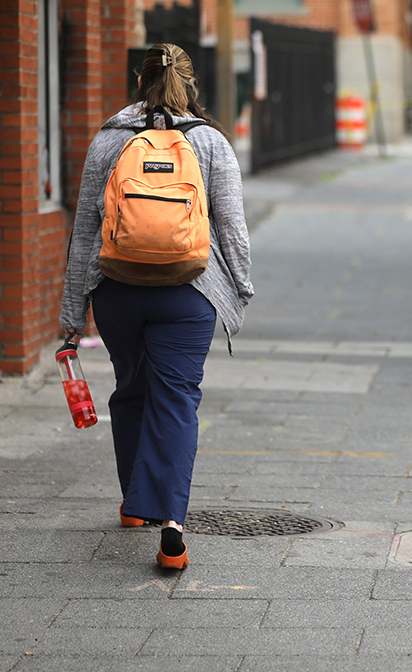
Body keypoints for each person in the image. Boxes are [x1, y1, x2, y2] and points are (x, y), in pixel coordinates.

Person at [59, 43, 253, 570]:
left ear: (137, 80)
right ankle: (170, 522)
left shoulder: (107, 140)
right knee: (175, 399)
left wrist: (73, 313)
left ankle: (133, 504)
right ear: (191, 84)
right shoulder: (211, 142)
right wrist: (240, 285)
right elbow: (231, 225)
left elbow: (83, 231)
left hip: (117, 288)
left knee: (131, 390)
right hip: (189, 291)